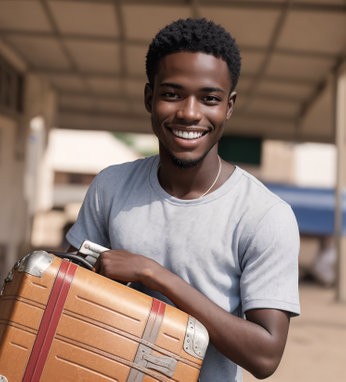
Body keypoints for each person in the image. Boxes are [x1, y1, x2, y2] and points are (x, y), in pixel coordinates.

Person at [66, 18, 300, 381]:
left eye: (209, 99)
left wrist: (155, 275)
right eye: (172, 94)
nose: (190, 113)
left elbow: (265, 356)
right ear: (149, 97)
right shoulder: (111, 186)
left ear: (229, 106)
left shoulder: (265, 215)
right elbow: (66, 295)